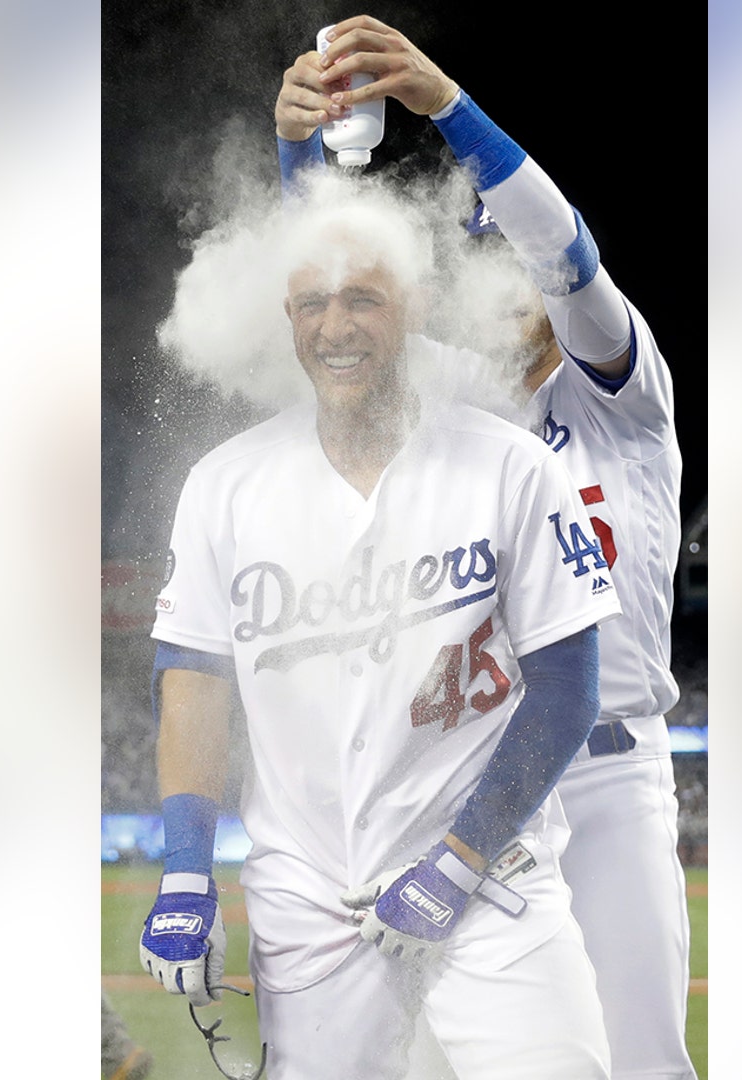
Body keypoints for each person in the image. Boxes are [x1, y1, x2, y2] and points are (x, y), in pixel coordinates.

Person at [275, 17, 694, 1079]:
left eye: (520, 259)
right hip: (477, 783)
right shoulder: (449, 410)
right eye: (485, 259)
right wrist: (297, 153)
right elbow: (331, 316)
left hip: (605, 773)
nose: (512, 279)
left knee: (641, 1059)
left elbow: (570, 256)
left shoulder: (623, 394)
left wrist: (447, 107)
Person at [137, 186, 622, 1078]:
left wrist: (459, 863)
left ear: (416, 306)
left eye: (363, 298)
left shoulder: (508, 466)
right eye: (313, 302)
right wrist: (182, 870)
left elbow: (566, 690)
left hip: (494, 881)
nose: (336, 327)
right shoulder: (224, 485)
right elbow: (195, 683)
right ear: (287, 316)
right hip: (307, 897)